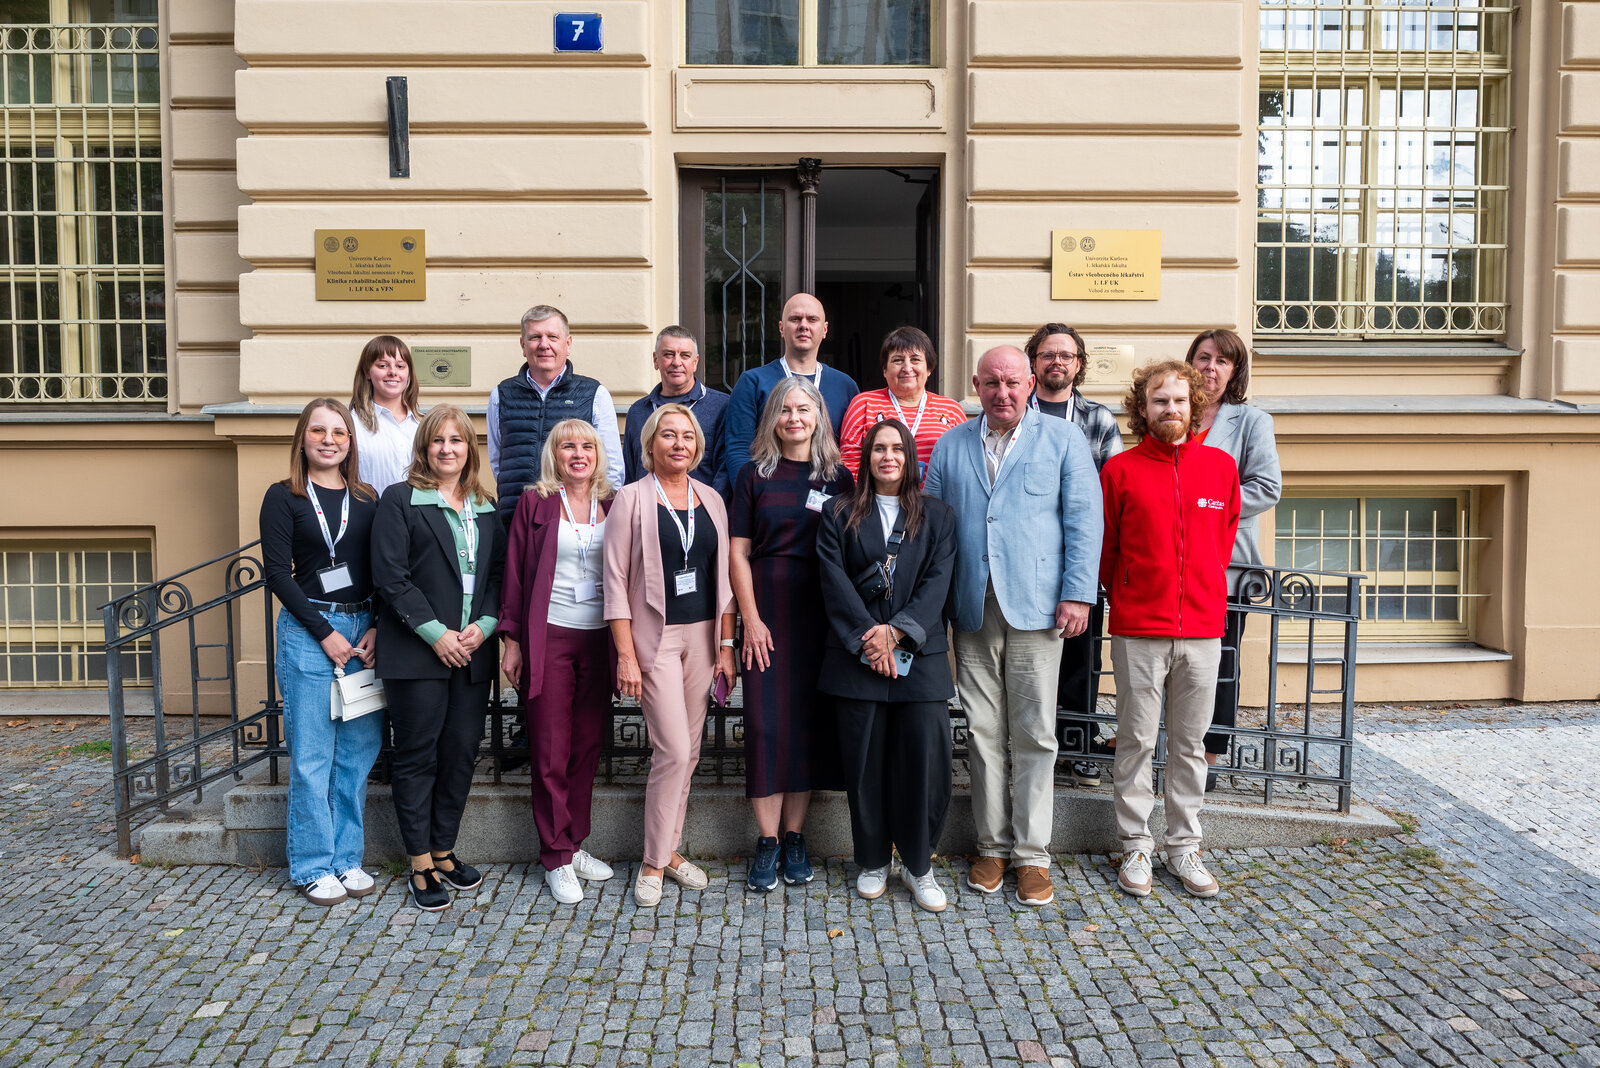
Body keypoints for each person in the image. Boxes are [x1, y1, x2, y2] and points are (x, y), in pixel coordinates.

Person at [923, 345, 1102, 908]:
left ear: (1030, 385)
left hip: (1039, 606)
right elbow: (931, 525)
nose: (1003, 392)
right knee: (981, 731)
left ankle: (1032, 854)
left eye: (1012, 382)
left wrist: (1077, 594)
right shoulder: (952, 445)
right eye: (992, 382)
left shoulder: (1064, 440)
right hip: (971, 607)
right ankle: (991, 846)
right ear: (976, 385)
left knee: (1034, 732)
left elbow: (1083, 521)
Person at [1100, 360, 1240, 898]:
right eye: (1160, 401)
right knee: (1135, 739)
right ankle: (1135, 843)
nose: (1171, 409)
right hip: (1140, 628)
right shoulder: (1120, 471)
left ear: (1194, 407)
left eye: (1180, 401)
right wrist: (1132, 593)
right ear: (1144, 409)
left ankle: (1184, 847)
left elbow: (1221, 542)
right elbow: (1108, 551)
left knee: (1189, 743)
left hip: (1204, 629)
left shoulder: (1221, 468)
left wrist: (1200, 591)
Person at [817, 418, 958, 912]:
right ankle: (873, 859)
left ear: (911, 457)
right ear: (866, 457)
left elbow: (937, 583)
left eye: (898, 448)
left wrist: (896, 632)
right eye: (879, 449)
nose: (889, 457)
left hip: (920, 660)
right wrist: (870, 640)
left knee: (923, 764)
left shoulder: (938, 516)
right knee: (866, 765)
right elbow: (832, 582)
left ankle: (919, 865)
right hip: (858, 659)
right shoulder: (838, 514)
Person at [372, 405, 507, 912]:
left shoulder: (485, 504)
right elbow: (391, 577)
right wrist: (436, 634)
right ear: (424, 449)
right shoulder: (401, 500)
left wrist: (484, 627)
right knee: (417, 756)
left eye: (457, 440)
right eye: (437, 441)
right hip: (418, 652)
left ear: (469, 449)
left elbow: (497, 575)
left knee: (459, 754)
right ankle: (419, 861)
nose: (447, 449)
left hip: (473, 651)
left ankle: (445, 848)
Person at [602, 404, 737, 908]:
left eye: (687, 436)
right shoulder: (631, 499)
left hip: (704, 638)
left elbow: (723, 579)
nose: (678, 444)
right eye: (668, 436)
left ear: (697, 446)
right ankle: (653, 861)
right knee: (674, 750)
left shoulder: (711, 499)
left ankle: (671, 849)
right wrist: (625, 656)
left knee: (692, 751)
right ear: (650, 444)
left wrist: (727, 645)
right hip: (654, 638)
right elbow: (613, 582)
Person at [728, 377, 853, 892]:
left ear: (819, 415)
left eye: (804, 409)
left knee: (806, 727)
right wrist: (749, 621)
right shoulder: (752, 476)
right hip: (768, 618)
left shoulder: (841, 477)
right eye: (785, 410)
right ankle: (767, 841)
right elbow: (737, 553)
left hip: (820, 618)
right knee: (765, 728)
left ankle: (796, 836)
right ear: (772, 419)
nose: (794, 418)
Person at [260, 398, 383, 906]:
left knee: (357, 753)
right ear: (303, 438)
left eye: (339, 432)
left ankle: (347, 858)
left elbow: (380, 569)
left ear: (350, 442)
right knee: (313, 754)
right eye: (319, 430)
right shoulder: (283, 496)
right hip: (309, 629)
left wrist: (375, 624)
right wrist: (323, 633)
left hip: (362, 627)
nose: (329, 439)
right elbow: (276, 574)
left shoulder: (367, 497)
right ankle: (313, 864)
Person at [500, 419, 618, 904]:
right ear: (555, 454)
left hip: (600, 638)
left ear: (597, 453)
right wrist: (512, 640)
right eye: (567, 445)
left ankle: (575, 842)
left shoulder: (614, 503)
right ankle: (554, 855)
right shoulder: (537, 503)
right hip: (549, 635)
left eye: (586, 445)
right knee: (550, 746)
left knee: (587, 746)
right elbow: (514, 573)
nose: (578, 453)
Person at [1024, 323, 1125, 789]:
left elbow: (1110, 495)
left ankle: (1079, 745)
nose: (1056, 362)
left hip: (1080, 558)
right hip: (1025, 559)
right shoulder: (1014, 411)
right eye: (1047, 354)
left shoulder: (1098, 420)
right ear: (1034, 362)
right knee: (1026, 659)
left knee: (1081, 658)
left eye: (1066, 355)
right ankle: (1026, 748)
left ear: (1079, 364)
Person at [1185, 328, 1282, 788]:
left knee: (1220, 659)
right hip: (1173, 558)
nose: (1210, 368)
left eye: (1222, 361)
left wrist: (1207, 504)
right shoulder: (1173, 411)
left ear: (1235, 370)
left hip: (1226, 563)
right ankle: (1161, 740)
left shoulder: (1250, 422)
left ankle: (1211, 750)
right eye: (1204, 358)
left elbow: (1266, 487)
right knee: (1167, 655)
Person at [487, 305, 626, 525]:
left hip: (575, 523)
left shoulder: (594, 394)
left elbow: (612, 468)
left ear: (568, 343)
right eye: (535, 337)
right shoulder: (501, 395)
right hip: (514, 519)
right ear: (523, 345)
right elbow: (498, 462)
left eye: (552, 336)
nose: (544, 345)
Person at [720, 293, 859, 488]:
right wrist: (752, 497)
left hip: (828, 500)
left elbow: (851, 452)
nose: (804, 325)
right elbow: (738, 449)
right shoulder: (752, 382)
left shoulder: (845, 386)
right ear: (781, 328)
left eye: (812, 319)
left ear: (825, 329)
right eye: (795, 319)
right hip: (769, 500)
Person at [836, 326, 967, 481]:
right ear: (885, 369)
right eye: (898, 360)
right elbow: (850, 465)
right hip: (877, 502)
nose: (907, 368)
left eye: (915, 360)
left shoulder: (951, 410)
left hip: (935, 502)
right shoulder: (863, 405)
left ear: (929, 368)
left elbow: (963, 465)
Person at [623, 326, 731, 492]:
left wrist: (712, 512)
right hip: (647, 512)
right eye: (668, 354)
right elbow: (630, 474)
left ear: (695, 362)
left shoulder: (722, 407)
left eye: (685, 355)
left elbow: (724, 473)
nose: (676, 362)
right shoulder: (638, 411)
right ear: (655, 360)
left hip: (699, 512)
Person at [349, 334, 422, 494]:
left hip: (416, 517)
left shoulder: (423, 425)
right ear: (367, 372)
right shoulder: (351, 424)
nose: (393, 372)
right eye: (382, 366)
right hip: (369, 515)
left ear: (408, 373)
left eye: (400, 366)